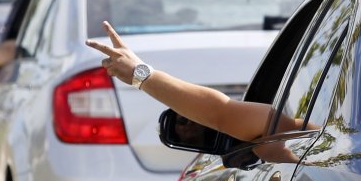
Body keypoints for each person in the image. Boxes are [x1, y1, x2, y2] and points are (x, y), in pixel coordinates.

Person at [85, 20, 305, 142]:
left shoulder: (310, 134)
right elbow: (221, 113)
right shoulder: (331, 140)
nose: (189, 126)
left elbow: (221, 113)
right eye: (184, 121)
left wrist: (141, 75)